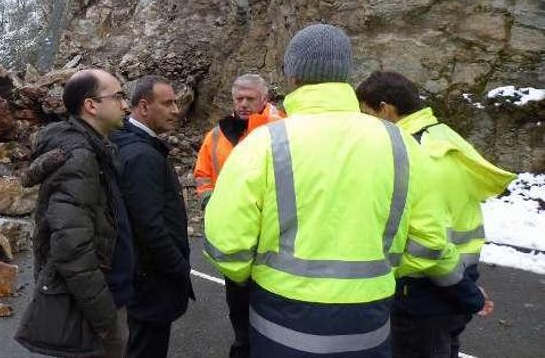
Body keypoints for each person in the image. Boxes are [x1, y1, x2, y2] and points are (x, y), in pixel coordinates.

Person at [203, 23, 485, 358]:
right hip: (369, 323)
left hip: (280, 322)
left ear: (293, 76)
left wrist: (256, 273)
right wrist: (383, 269)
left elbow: (227, 248)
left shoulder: (265, 143)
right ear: (345, 74)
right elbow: (428, 243)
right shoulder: (400, 144)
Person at [356, 70, 515, 358]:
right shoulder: (443, 136)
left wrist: (387, 272)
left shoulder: (408, 152)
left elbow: (429, 245)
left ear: (385, 109)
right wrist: (467, 290)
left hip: (424, 288)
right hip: (458, 276)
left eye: (366, 113)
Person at [15, 69, 134, 358]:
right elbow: (72, 249)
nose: (126, 105)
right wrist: (106, 321)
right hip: (91, 308)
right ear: (91, 105)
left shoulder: (97, 148)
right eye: (118, 96)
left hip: (103, 295)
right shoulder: (80, 157)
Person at [193, 73, 282, 358]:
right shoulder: (218, 134)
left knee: (273, 306)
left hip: (274, 235)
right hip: (236, 236)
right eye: (239, 98)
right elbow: (203, 174)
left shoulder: (283, 129)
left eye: (250, 99)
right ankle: (243, 344)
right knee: (239, 305)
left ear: (264, 99)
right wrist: (210, 200)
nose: (243, 104)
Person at [111, 75, 195, 358]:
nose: (176, 110)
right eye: (168, 103)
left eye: (176, 103)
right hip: (151, 282)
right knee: (147, 348)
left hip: (143, 277)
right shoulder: (142, 156)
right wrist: (180, 266)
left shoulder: (132, 144)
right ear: (144, 107)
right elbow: (149, 225)